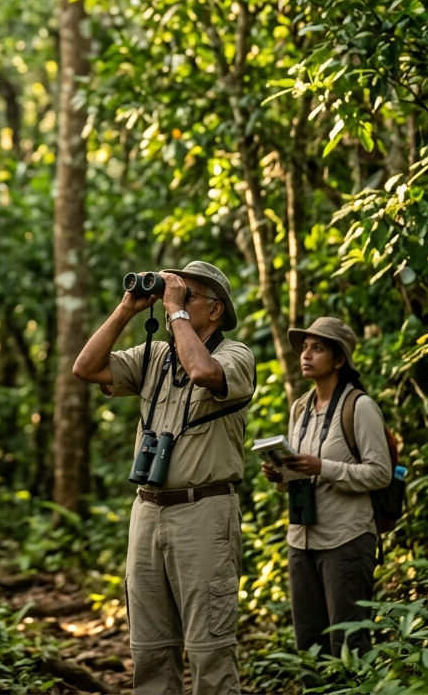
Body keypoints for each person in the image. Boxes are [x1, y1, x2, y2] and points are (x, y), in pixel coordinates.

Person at [73, 261, 255, 695]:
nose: (176, 298)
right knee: (150, 648)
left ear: (215, 310)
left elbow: (203, 373)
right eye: (176, 291)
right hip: (148, 510)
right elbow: (86, 368)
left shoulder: (236, 355)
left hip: (204, 512)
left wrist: (174, 312)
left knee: (209, 648)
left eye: (189, 295)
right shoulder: (154, 355)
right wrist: (127, 308)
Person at [261, 317, 392, 656]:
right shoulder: (300, 408)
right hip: (301, 540)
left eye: (317, 349)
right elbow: (300, 473)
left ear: (339, 360)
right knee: (309, 645)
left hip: (346, 539)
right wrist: (281, 475)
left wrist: (323, 467)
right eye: (304, 348)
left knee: (349, 644)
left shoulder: (359, 407)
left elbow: (381, 473)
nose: (306, 355)